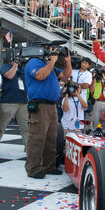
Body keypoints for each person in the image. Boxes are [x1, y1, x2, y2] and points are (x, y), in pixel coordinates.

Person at [24, 48, 73, 179]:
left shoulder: (50, 66)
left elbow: (65, 75)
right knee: (37, 138)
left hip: (52, 106)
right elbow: (40, 76)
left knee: (51, 138)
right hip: (39, 105)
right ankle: (33, 169)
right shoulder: (33, 62)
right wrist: (52, 62)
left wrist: (67, 62)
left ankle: (49, 166)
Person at [0, 61, 29, 150]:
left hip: (23, 102)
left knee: (26, 128)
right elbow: (9, 75)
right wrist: (15, 66)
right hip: (8, 101)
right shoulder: (5, 67)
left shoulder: (23, 69)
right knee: (1, 127)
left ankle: (29, 150)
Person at [88, 66, 105, 131]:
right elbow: (91, 91)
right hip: (97, 102)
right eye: (104, 71)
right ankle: (96, 133)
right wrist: (94, 78)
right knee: (96, 121)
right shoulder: (96, 80)